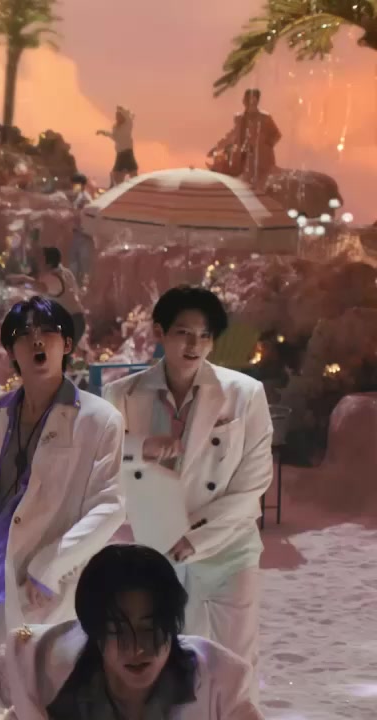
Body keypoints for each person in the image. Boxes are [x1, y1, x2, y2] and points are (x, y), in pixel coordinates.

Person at [0, 297, 125, 677]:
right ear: (12, 351)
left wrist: (51, 565)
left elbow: (109, 506)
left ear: (67, 344)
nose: (37, 341)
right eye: (24, 335)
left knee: (39, 687)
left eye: (47, 332)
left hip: (40, 587)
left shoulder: (99, 419)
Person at [103, 286, 272, 683]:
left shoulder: (245, 394)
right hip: (157, 545)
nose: (195, 345)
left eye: (205, 335)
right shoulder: (122, 394)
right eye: (183, 333)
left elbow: (254, 481)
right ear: (160, 332)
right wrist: (141, 446)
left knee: (235, 661)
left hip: (228, 546)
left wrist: (195, 536)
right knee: (175, 658)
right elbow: (101, 462)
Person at [0, 544, 263, 720]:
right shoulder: (34, 660)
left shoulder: (219, 683)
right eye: (118, 630)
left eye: (152, 628)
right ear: (93, 631)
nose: (138, 648)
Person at [210, 88, 281, 189]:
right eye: (245, 98)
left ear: (254, 100)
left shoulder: (265, 118)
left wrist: (264, 145)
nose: (244, 101)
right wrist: (217, 147)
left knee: (260, 188)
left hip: (261, 163)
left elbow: (276, 135)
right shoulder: (240, 118)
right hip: (243, 161)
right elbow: (231, 135)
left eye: (247, 98)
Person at [28, 247, 86, 347]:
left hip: (71, 321)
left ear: (49, 263)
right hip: (76, 319)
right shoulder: (65, 272)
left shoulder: (53, 278)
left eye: (41, 258)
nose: (37, 261)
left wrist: (23, 279)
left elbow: (40, 287)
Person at [97, 106, 138, 187]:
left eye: (118, 115)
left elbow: (128, 117)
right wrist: (103, 132)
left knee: (133, 175)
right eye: (116, 115)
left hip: (127, 153)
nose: (116, 117)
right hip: (120, 154)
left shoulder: (127, 125)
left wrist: (121, 109)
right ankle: (119, 190)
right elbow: (114, 137)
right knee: (116, 176)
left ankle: (137, 189)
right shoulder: (115, 127)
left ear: (123, 116)